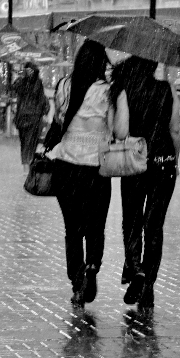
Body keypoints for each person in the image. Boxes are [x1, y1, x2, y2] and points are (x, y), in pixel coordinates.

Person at [111, 55, 180, 311]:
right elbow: (174, 129)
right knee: (154, 226)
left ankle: (137, 270)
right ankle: (149, 287)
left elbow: (121, 131)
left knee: (132, 220)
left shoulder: (125, 91)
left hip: (135, 163)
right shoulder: (167, 88)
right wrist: (174, 160)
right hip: (164, 163)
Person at [47, 40, 113, 307]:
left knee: (72, 229)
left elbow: (58, 122)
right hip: (96, 171)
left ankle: (76, 281)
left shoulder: (63, 86)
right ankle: (92, 268)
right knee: (95, 227)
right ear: (100, 63)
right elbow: (117, 130)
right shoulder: (106, 92)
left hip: (67, 169)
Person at [12, 62, 49, 174]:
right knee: (28, 142)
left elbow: (41, 99)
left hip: (28, 117)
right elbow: (42, 99)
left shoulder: (33, 83)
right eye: (27, 70)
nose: (28, 73)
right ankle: (27, 164)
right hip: (29, 117)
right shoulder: (28, 82)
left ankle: (26, 165)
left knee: (27, 142)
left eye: (30, 71)